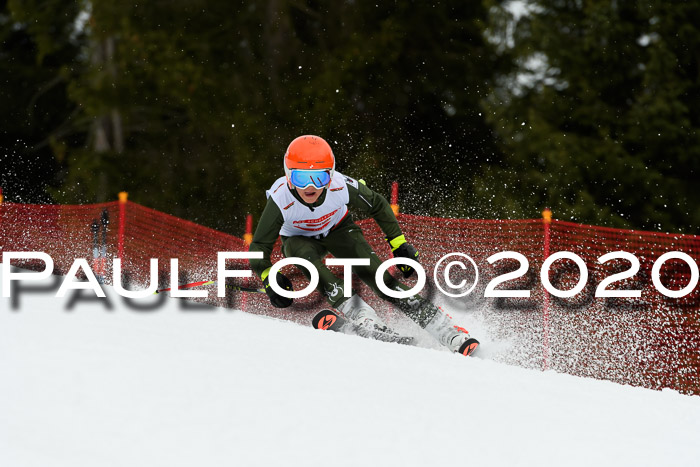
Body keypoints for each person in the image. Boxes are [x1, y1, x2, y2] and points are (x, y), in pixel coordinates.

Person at [248, 135, 479, 356]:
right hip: (299, 239)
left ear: (331, 175)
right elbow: (259, 246)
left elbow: (377, 204)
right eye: (301, 178)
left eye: (320, 178)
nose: (311, 186)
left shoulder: (340, 186)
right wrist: (269, 278)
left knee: (379, 277)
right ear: (288, 176)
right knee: (303, 258)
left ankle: (446, 330)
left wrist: (399, 244)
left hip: (339, 230)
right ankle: (361, 314)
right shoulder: (280, 199)